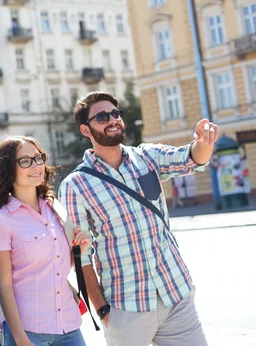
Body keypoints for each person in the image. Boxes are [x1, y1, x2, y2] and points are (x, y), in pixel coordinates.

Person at [58, 92, 216, 346]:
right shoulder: (76, 186)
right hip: (126, 306)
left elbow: (190, 159)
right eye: (102, 117)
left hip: (176, 293)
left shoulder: (148, 158)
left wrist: (204, 141)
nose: (112, 120)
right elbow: (81, 258)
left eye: (116, 114)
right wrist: (103, 312)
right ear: (86, 130)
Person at [0, 136, 91, 346]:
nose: (36, 166)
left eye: (38, 158)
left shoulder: (55, 210)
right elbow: (4, 286)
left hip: (68, 327)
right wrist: (20, 338)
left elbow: (53, 267)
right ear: (8, 169)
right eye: (25, 161)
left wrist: (78, 251)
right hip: (29, 331)